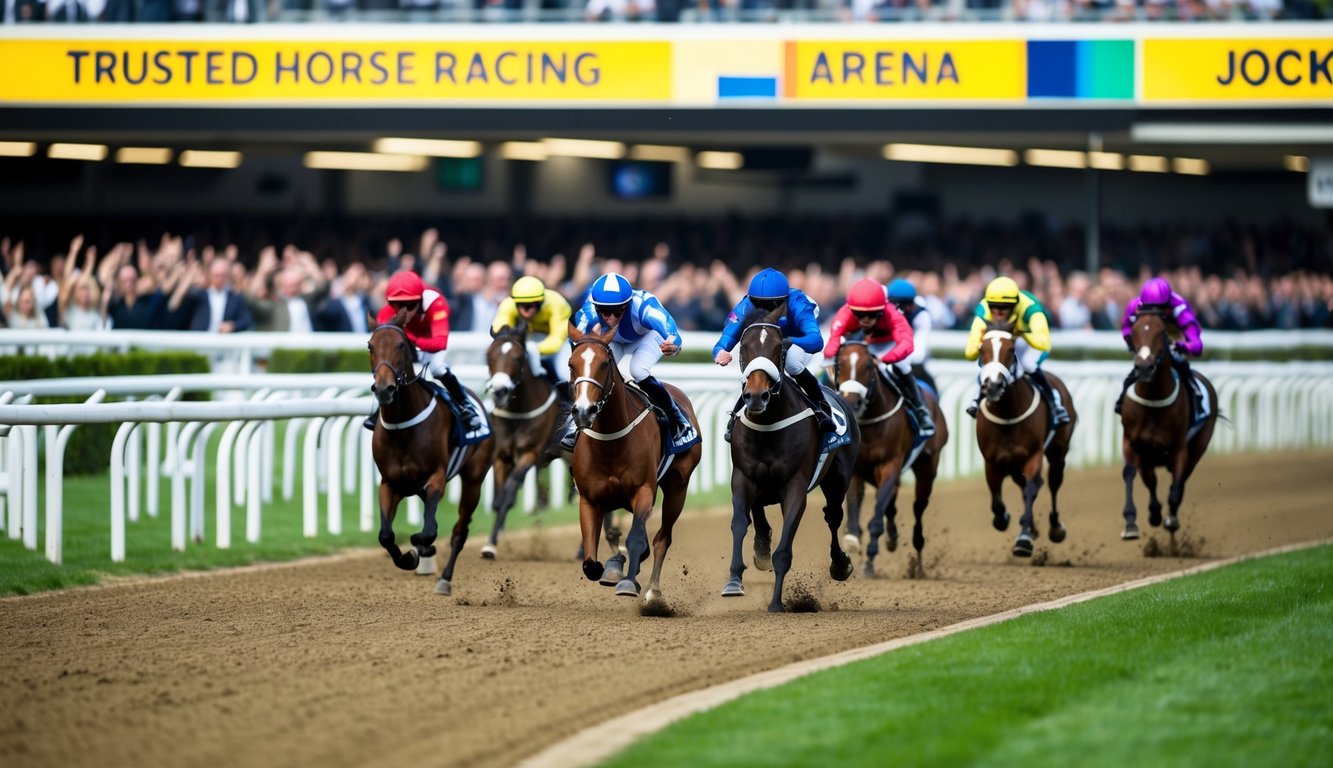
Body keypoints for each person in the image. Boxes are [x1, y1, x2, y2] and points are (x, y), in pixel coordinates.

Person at [563, 271, 694, 452]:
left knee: (638, 370)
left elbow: (673, 334)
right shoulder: (589, 310)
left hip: (647, 337)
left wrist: (673, 346)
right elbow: (575, 340)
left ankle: (678, 418)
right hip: (615, 340)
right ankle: (573, 424)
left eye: (617, 311)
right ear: (596, 307)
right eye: (604, 312)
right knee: (592, 373)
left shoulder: (645, 306)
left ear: (628, 304)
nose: (610, 318)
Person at [713, 267, 834, 443]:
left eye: (772, 305)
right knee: (756, 358)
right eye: (759, 304)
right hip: (766, 337)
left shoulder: (798, 303)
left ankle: (821, 407)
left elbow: (816, 341)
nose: (765, 311)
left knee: (791, 361)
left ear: (784, 300)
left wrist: (790, 342)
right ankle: (737, 413)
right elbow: (725, 340)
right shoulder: (745, 305)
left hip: (794, 337)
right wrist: (720, 352)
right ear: (751, 300)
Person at [363, 271, 483, 434]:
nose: (403, 311)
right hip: (407, 343)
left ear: (420, 300)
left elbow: (440, 343)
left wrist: (411, 339)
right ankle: (381, 409)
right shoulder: (387, 312)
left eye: (410, 305)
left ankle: (465, 405)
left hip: (429, 341)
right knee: (392, 367)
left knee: (437, 368)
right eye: (397, 305)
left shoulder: (436, 303)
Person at [823, 278, 935, 436]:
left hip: (889, 345)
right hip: (865, 342)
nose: (866, 320)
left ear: (882, 310)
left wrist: (885, 359)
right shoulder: (845, 313)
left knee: (903, 365)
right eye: (860, 315)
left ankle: (920, 410)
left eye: (872, 315)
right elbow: (833, 341)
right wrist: (833, 357)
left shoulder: (892, 314)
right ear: (852, 309)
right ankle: (821, 404)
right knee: (836, 364)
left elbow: (907, 345)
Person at [964, 275, 1070, 425]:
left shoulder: (1030, 308)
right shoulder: (983, 310)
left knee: (1027, 364)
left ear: (1015, 305)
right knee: (990, 359)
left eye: (1004, 307)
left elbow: (1044, 343)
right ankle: (979, 395)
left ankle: (1054, 403)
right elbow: (970, 353)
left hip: (1028, 341)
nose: (998, 312)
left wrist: (1021, 332)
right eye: (994, 306)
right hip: (1005, 341)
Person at [1115, 277, 1204, 415]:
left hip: (1173, 344)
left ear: (1168, 305)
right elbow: (1126, 329)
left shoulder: (1180, 307)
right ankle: (1122, 401)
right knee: (1133, 374)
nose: (1153, 314)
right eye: (1149, 309)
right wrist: (1134, 344)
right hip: (1150, 346)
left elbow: (1197, 346)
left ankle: (1197, 401)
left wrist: (1178, 345)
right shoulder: (1135, 306)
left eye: (1159, 310)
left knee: (1181, 364)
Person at [491, 274, 574, 408]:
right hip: (526, 339)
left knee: (564, 374)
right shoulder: (507, 304)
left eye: (532, 305)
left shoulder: (557, 303)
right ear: (515, 303)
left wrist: (530, 350)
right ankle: (494, 403)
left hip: (556, 343)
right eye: (522, 305)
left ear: (541, 302)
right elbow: (500, 332)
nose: (527, 310)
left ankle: (571, 409)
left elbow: (556, 341)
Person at [887, 277, 938, 394]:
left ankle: (922, 408)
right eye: (905, 305)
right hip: (886, 357)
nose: (910, 308)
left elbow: (918, 355)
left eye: (911, 304)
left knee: (929, 388)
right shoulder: (882, 311)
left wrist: (890, 358)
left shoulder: (920, 315)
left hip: (911, 365)